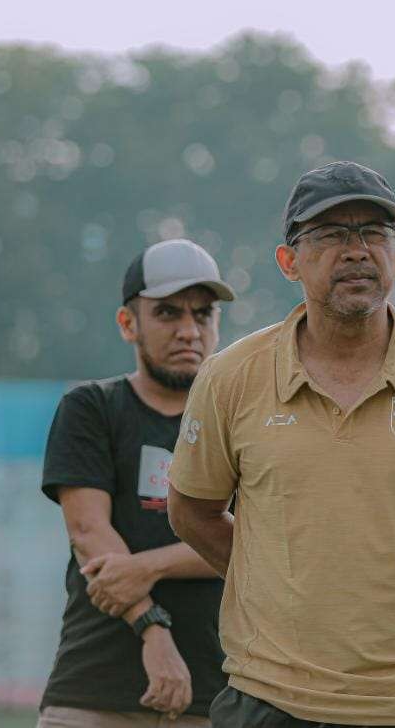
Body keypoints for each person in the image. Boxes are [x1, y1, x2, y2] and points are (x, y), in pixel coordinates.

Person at [166, 161, 395, 727]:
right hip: (270, 697)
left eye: (373, 233)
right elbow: (192, 511)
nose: (356, 251)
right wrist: (284, 580)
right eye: (330, 235)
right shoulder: (231, 377)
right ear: (288, 262)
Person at [38, 239, 236, 727]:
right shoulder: (91, 408)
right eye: (168, 313)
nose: (189, 330)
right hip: (92, 693)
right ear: (129, 324)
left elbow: (253, 541)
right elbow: (88, 534)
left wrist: (146, 566)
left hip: (217, 696)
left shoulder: (242, 423)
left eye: (203, 314)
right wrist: (152, 629)